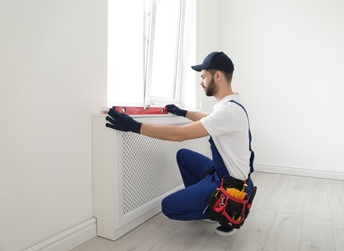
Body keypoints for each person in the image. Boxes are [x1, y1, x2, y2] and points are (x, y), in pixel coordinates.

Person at [105, 51, 255, 236]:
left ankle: (224, 212)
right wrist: (183, 112)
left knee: (169, 207)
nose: (201, 82)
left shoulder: (228, 111)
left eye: (203, 76)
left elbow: (179, 135)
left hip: (232, 187)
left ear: (217, 76)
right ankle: (205, 201)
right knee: (184, 155)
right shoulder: (230, 106)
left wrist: (134, 126)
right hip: (225, 175)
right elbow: (207, 118)